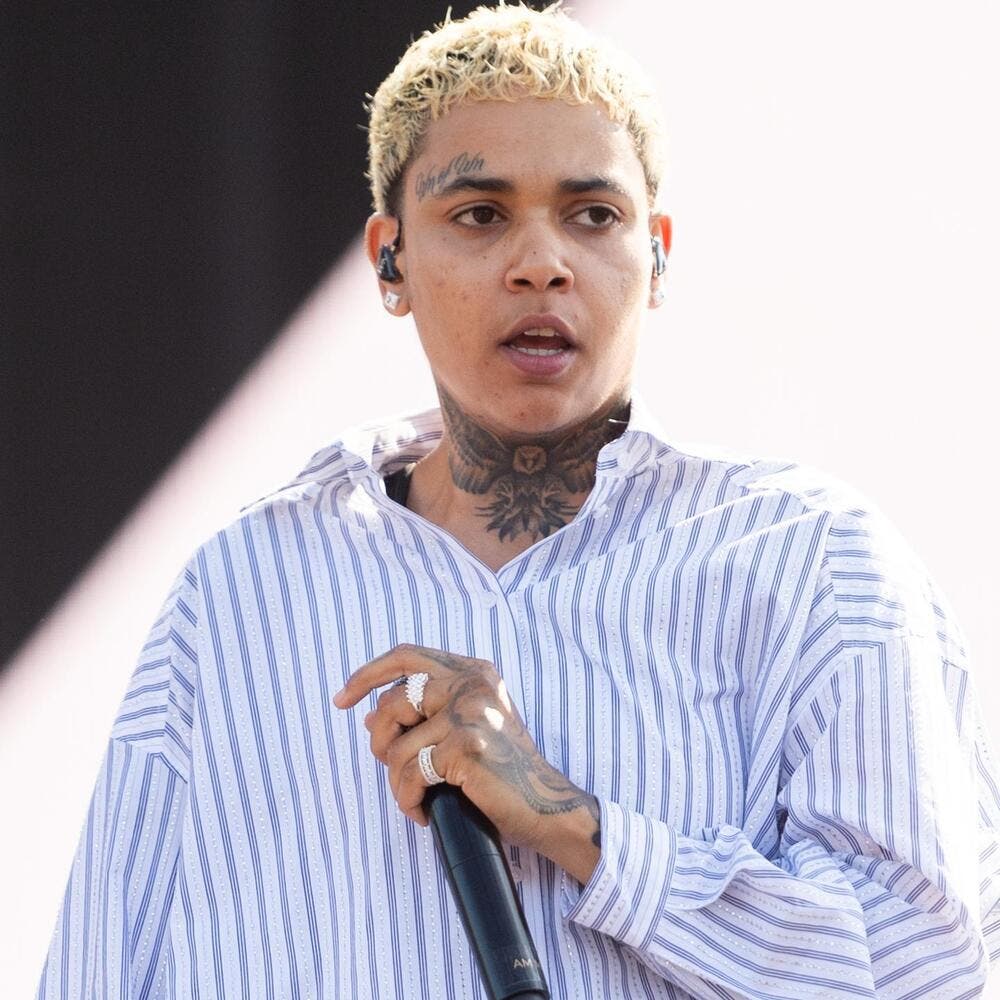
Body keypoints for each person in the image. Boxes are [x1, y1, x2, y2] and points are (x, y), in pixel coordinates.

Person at [38, 4, 1000, 998]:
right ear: (390, 259)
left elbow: (926, 970)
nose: (540, 262)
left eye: (593, 215)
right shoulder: (242, 593)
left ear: (657, 254)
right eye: (480, 214)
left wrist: (574, 824)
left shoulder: (816, 564)